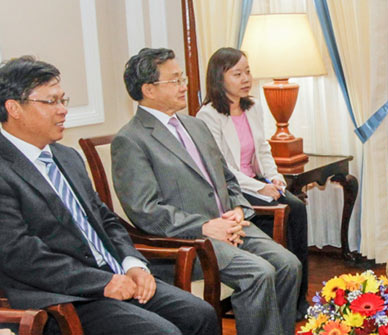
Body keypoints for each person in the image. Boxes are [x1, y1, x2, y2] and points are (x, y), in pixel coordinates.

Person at [0, 56, 219, 335]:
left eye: (63, 100)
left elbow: (105, 218)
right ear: (14, 108)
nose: (63, 110)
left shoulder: (66, 157)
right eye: (51, 102)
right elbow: (20, 256)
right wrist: (101, 282)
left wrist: (132, 263)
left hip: (114, 273)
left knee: (200, 314)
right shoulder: (4, 169)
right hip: (65, 296)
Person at [111, 47, 301, 335]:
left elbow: (228, 178)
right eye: (174, 80)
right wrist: (206, 226)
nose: (184, 85)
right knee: (258, 273)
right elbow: (146, 211)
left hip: (230, 226)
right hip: (190, 241)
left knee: (288, 264)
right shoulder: (131, 140)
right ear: (149, 89)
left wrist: (238, 209)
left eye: (182, 78)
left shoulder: (194, 125)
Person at [196, 47, 309, 317]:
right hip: (235, 187)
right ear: (218, 78)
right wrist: (261, 187)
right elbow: (224, 169)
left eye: (247, 71)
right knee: (283, 211)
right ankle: (278, 297)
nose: (246, 78)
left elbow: (263, 148)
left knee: (298, 208)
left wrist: (275, 178)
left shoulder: (253, 106)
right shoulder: (208, 116)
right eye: (237, 73)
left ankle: (298, 298)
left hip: (257, 179)